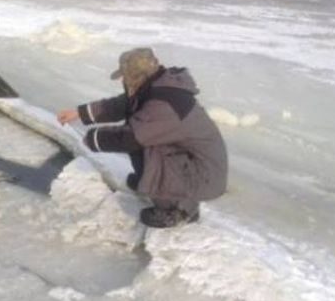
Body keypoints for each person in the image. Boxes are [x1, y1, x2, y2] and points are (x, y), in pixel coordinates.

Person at [57, 48, 227, 228]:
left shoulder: (164, 104)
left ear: (137, 75)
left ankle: (180, 210)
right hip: (193, 167)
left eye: (125, 75)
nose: (122, 80)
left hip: (203, 177)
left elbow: (130, 137)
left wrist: (93, 139)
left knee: (149, 145)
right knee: (148, 142)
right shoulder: (155, 86)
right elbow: (122, 105)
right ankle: (153, 183)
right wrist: (80, 113)